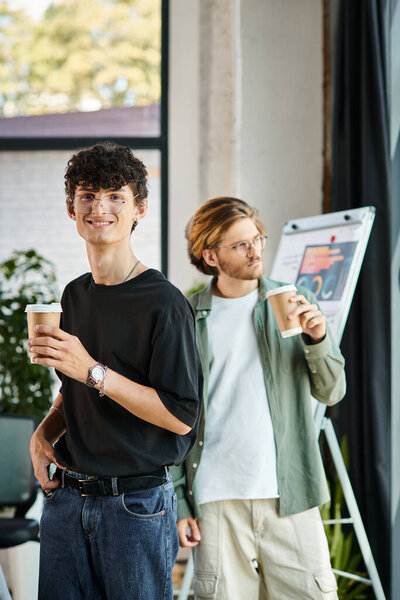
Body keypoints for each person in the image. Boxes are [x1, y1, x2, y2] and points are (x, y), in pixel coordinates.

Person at [29, 142, 202, 600]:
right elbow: (73, 390)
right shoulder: (74, 295)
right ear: (71, 208)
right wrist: (45, 431)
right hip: (67, 502)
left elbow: (180, 415)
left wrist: (93, 371)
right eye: (87, 195)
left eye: (115, 197)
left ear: (138, 209)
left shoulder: (164, 303)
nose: (99, 207)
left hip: (136, 507)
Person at [171, 197, 346, 600]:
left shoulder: (292, 301)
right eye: (241, 245)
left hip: (290, 491)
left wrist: (317, 339)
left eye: (258, 239)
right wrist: (180, 502)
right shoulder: (186, 316)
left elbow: (332, 391)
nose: (256, 251)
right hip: (216, 497)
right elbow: (174, 415)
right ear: (210, 255)